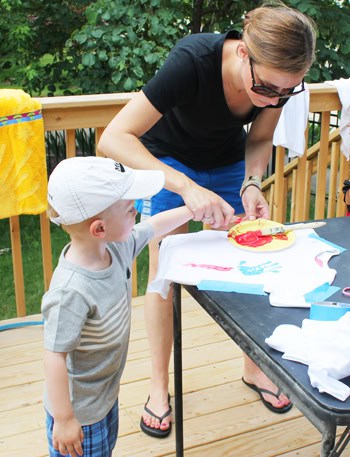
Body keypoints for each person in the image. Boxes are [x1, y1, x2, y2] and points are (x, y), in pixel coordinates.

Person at [98, 1, 316, 438]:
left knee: (250, 265)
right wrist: (184, 186)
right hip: (168, 163)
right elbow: (113, 137)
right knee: (163, 274)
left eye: (287, 93)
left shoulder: (278, 81)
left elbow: (259, 139)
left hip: (227, 164)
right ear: (242, 53)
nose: (275, 99)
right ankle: (159, 389)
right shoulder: (192, 62)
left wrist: (253, 184)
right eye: (268, 89)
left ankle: (254, 369)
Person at [42, 156, 194, 457]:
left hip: (104, 397)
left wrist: (194, 209)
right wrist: (63, 419)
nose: (136, 213)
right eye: (129, 211)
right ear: (99, 228)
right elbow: (54, 356)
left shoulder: (115, 248)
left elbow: (153, 226)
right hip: (79, 415)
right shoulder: (70, 291)